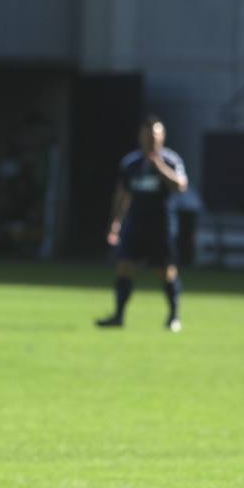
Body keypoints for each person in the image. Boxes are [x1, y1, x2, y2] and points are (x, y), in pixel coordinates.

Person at [96, 115, 189, 331]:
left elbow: (181, 186)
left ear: (162, 137)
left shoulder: (171, 160)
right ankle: (118, 316)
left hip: (161, 226)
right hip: (135, 224)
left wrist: (159, 167)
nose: (150, 140)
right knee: (124, 266)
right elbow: (122, 194)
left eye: (155, 136)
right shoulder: (131, 163)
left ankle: (174, 317)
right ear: (140, 136)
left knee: (166, 271)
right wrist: (116, 222)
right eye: (147, 135)